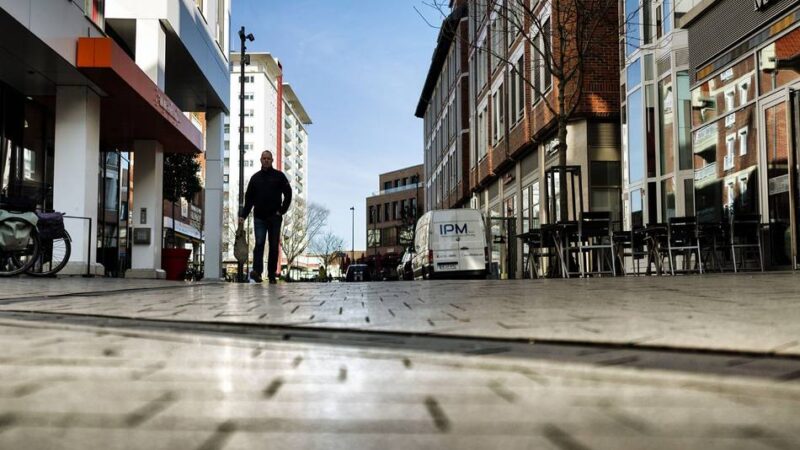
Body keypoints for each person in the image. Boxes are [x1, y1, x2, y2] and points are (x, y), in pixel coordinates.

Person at [238, 150, 292, 284]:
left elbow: (288, 193)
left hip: (275, 217)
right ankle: (257, 272)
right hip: (259, 218)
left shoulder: (279, 176)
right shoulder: (255, 178)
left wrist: (282, 210)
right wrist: (243, 215)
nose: (266, 160)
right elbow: (249, 199)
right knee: (259, 244)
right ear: (260, 160)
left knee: (274, 246)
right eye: (264, 158)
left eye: (268, 158)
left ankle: (272, 274)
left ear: (272, 160)